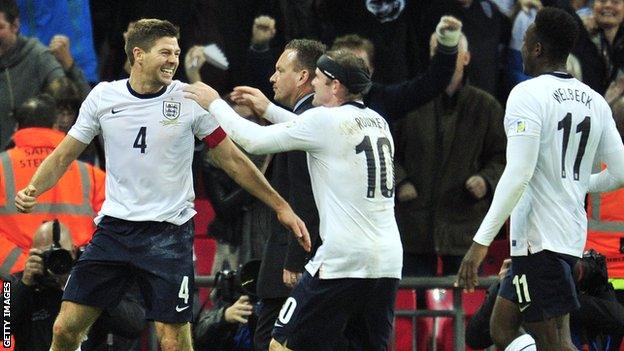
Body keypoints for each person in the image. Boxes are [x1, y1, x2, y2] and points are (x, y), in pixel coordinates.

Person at [14, 19, 310, 351]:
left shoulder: (188, 100)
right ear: (138, 54)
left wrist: (280, 205)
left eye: (177, 53)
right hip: (114, 231)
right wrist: (33, 188)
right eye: (165, 52)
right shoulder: (103, 97)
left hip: (168, 236)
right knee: (64, 329)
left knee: (172, 342)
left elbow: (233, 160)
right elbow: (64, 154)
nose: (173, 60)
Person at [184, 49, 403, 351]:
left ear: (336, 86)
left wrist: (215, 104)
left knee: (280, 344)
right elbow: (317, 134)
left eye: (320, 79)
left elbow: (253, 141)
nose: (313, 83)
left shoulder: (324, 121)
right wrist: (269, 109)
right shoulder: (376, 121)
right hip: (388, 261)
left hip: (342, 259)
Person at [455, 7, 624, 351]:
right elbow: (619, 172)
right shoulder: (595, 100)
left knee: (555, 342)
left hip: (540, 238)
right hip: (563, 237)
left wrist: (480, 242)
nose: (520, 45)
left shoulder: (526, 94)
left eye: (526, 38)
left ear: (537, 48)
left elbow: (518, 173)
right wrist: (577, 182)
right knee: (502, 328)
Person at [235, 38, 326, 351]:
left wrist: (294, 261)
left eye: (279, 70)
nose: (272, 78)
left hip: (288, 271)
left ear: (302, 77)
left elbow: (304, 197)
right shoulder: (307, 120)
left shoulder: (306, 125)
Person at [394, 31, 506, 278]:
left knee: (465, 306)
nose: (443, 56)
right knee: (413, 307)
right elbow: (385, 150)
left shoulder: (486, 107)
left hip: (464, 225)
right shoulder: (408, 100)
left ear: (466, 58)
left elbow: (503, 157)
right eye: (437, 51)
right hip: (413, 226)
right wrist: (399, 180)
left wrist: (487, 180)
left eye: (451, 50)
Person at [0, 94, 105, 279]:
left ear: (17, 128)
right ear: (55, 126)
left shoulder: (2, 167)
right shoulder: (90, 175)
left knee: (8, 309)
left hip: (13, 285)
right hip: (76, 280)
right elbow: (112, 227)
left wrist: (23, 266)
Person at [10, 220, 147, 351]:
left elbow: (134, 325)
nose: (56, 262)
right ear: (33, 254)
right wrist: (24, 286)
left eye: (61, 254)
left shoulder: (92, 281)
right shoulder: (20, 282)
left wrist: (91, 288)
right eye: (48, 255)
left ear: (74, 252)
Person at [466, 252, 624, 350]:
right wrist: (503, 286)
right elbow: (475, 337)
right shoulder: (519, 285)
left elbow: (618, 317)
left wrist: (556, 295)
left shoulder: (584, 298)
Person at [0, 0, 65, 149]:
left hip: (34, 155)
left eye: (0, 27)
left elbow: (64, 93)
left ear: (15, 25)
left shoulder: (37, 55)